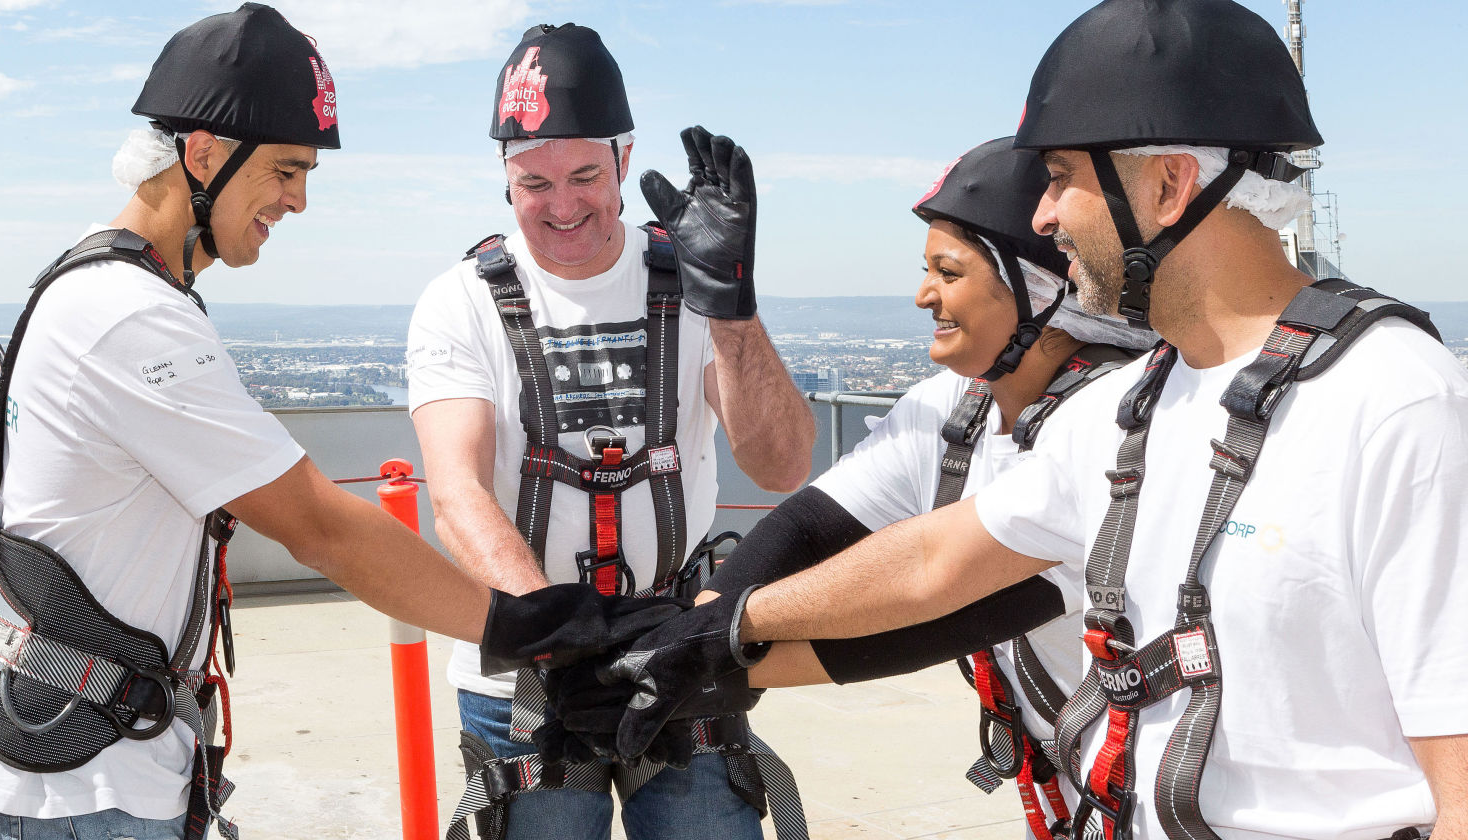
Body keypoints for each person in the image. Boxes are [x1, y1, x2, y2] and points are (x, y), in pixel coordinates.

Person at [583, 2, 1468, 839]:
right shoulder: (1136, 409)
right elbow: (935, 561)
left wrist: (718, 641)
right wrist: (712, 638)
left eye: (1059, 179)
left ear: (1169, 185)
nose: (1044, 216)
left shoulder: (1392, 403)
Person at [0, 7, 671, 840]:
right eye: (284, 169)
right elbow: (320, 525)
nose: (299, 200)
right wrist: (539, 626)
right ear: (202, 153)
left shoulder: (98, 281)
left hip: (79, 766)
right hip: (84, 798)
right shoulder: (128, 315)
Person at [406, 22, 814, 840]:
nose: (562, 206)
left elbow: (780, 464)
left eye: (585, 175)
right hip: (526, 684)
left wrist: (730, 306)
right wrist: (566, 643)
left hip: (681, 659)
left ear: (626, 160)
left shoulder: (687, 283)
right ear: (504, 179)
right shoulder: (461, 302)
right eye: (533, 183)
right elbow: (457, 493)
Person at [690, 136, 1156, 840]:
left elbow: (942, 610)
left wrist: (698, 657)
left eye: (949, 271)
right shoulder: (953, 409)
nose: (922, 295)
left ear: (1039, 288)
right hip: (1083, 794)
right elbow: (805, 530)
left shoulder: (1121, 422)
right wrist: (689, 639)